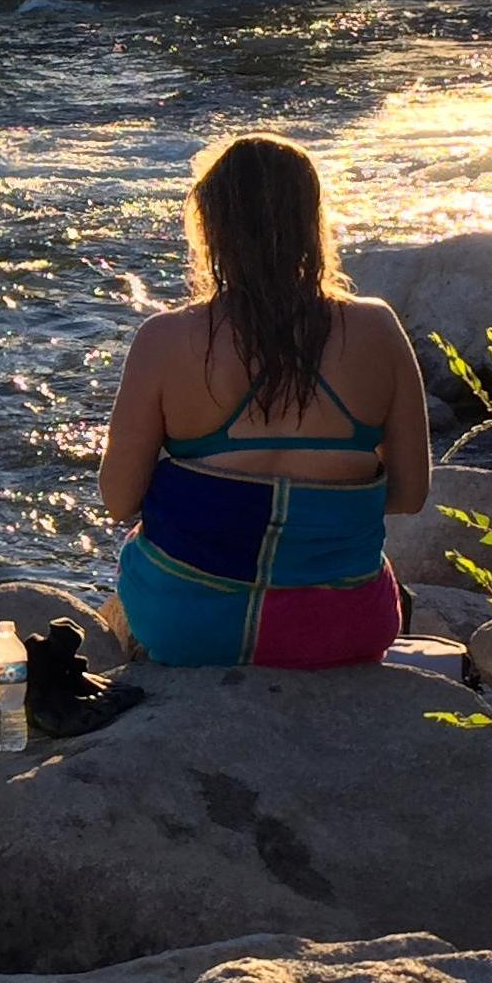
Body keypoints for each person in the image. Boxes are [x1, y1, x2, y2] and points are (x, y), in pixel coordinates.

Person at [97, 134, 431, 668]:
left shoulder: (165, 339)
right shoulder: (377, 329)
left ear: (211, 229)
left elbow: (118, 499)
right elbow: (410, 493)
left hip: (192, 629)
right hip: (343, 628)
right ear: (311, 223)